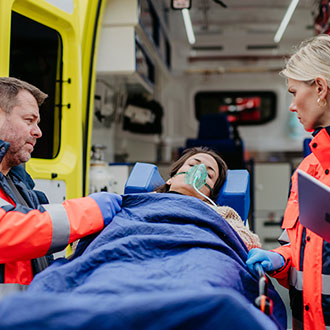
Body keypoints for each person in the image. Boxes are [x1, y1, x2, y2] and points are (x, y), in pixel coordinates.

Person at [0, 77, 122, 292]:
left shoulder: (14, 181)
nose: (38, 132)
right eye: (29, 120)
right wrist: (92, 211)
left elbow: (33, 226)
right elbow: (9, 231)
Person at [246, 34, 330, 330]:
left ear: (320, 88)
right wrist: (278, 259)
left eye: (294, 93)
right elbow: (299, 247)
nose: (292, 106)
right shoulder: (308, 169)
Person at [155, 147, 261, 250]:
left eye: (209, 175)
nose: (198, 171)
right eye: (192, 165)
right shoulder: (146, 199)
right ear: (171, 179)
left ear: (210, 195)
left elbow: (248, 242)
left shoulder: (220, 213)